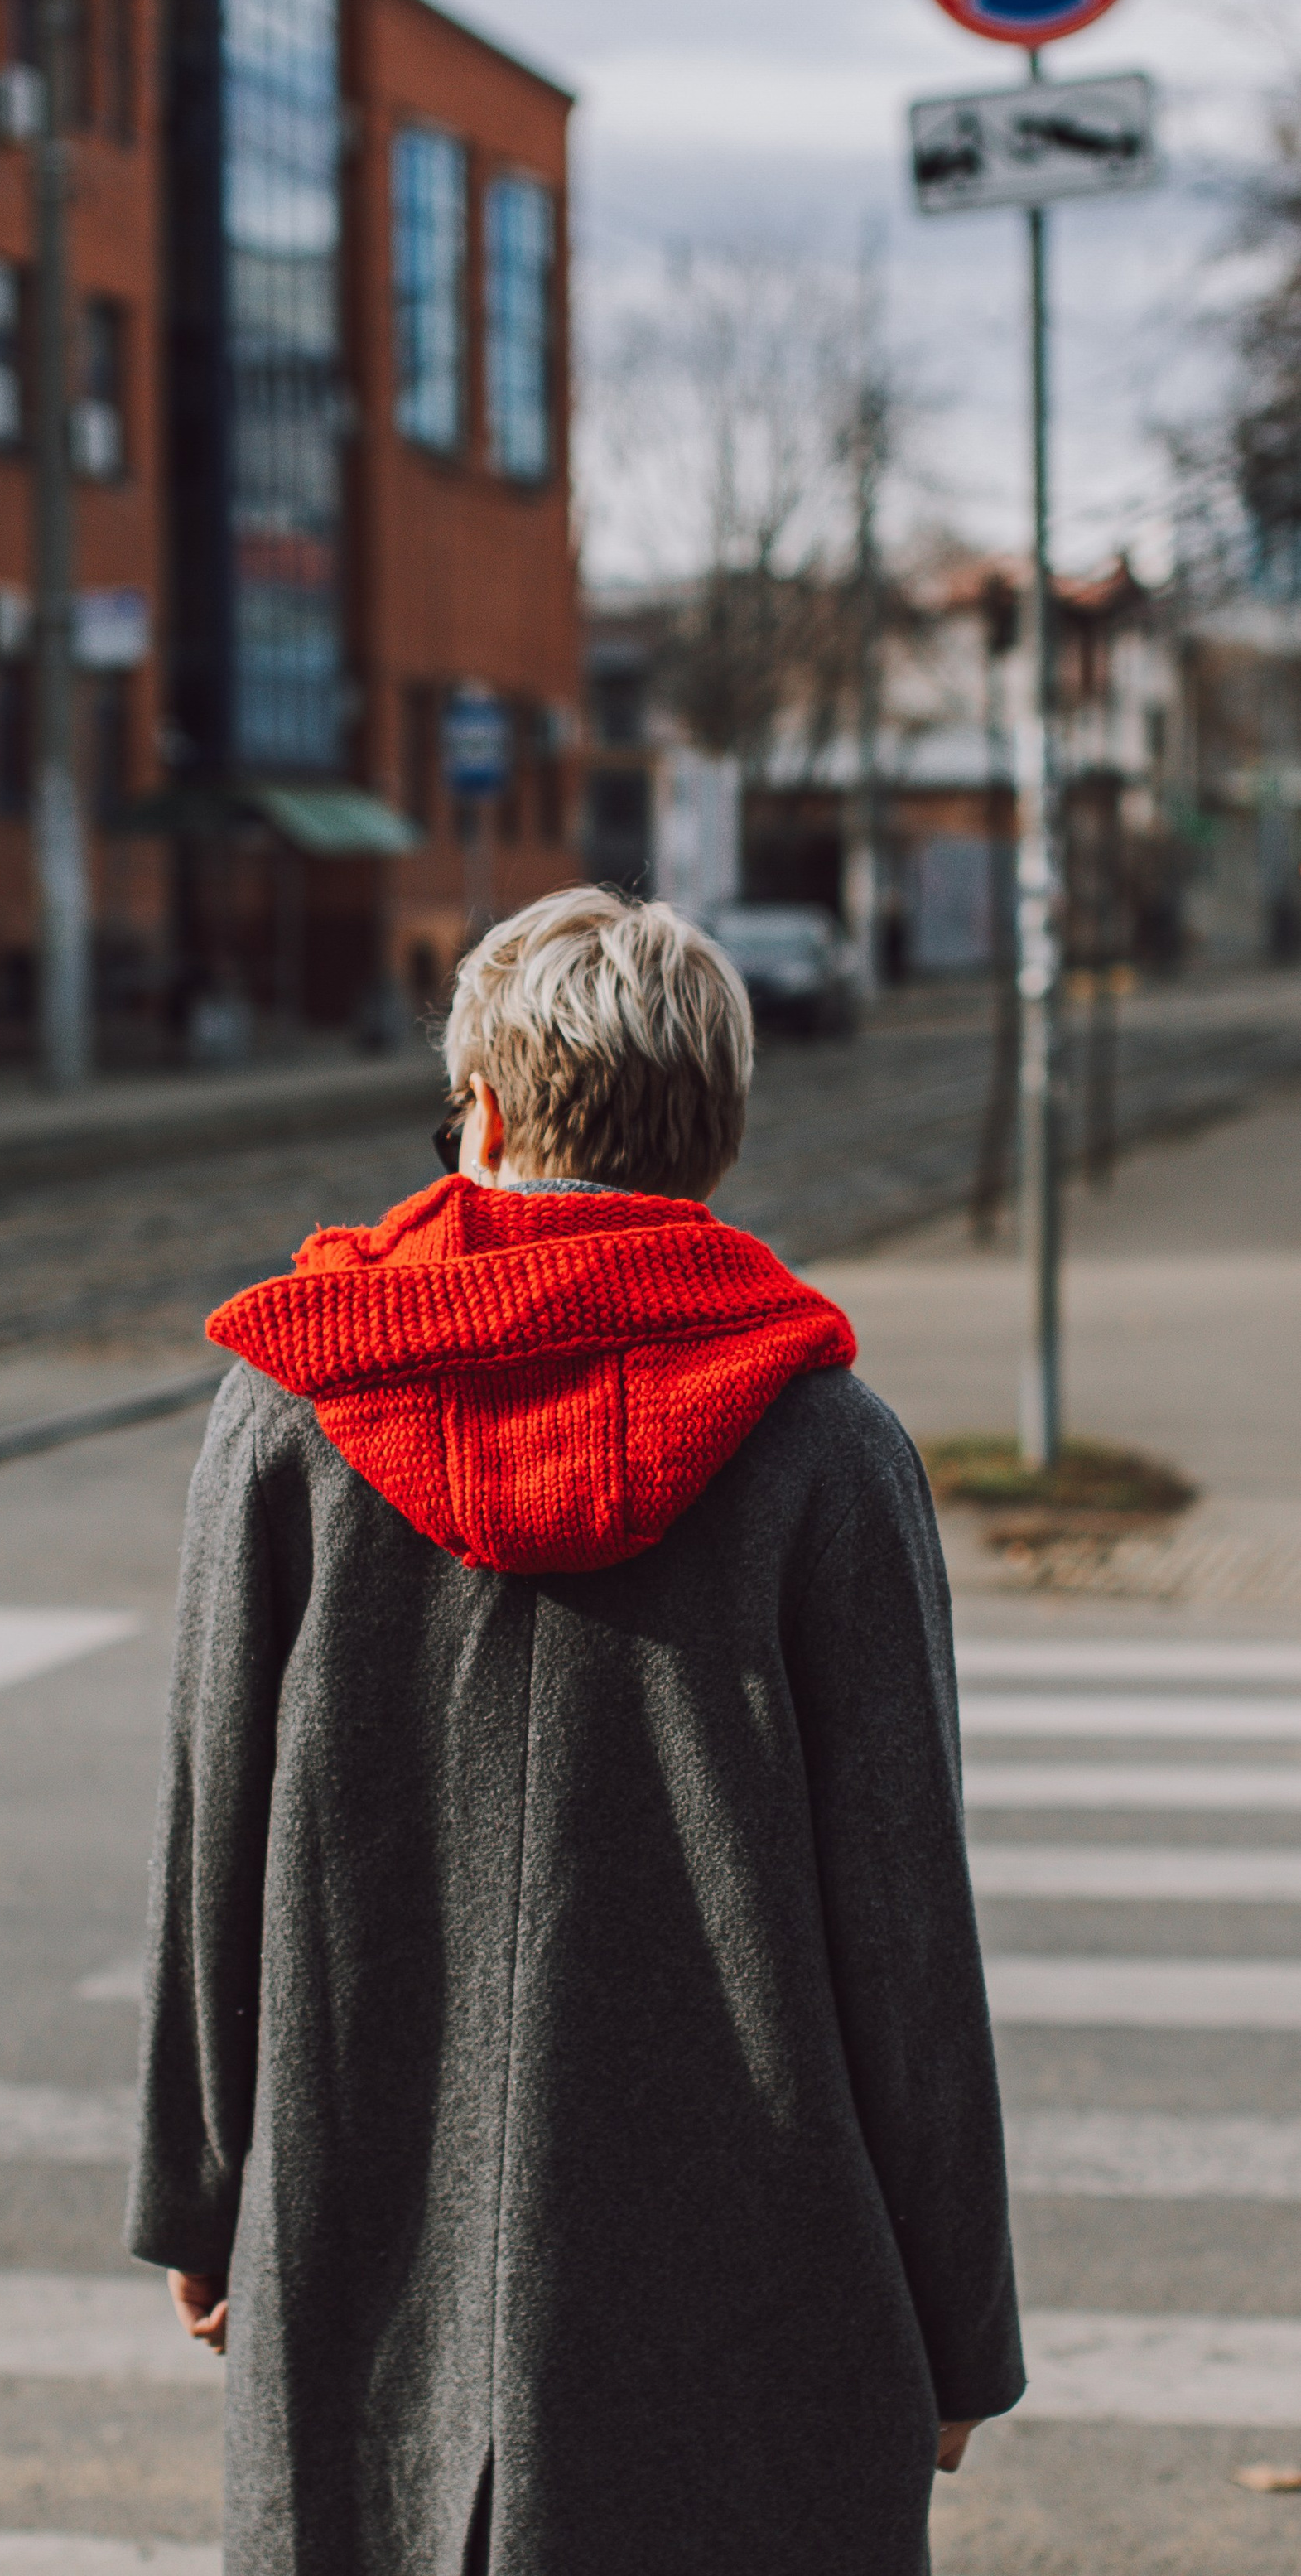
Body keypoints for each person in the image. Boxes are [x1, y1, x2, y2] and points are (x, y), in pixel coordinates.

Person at [127, 885, 1022, 2576]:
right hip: (753, 2256)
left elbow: (211, 1831)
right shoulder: (828, 1449)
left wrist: (200, 2186)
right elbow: (905, 1927)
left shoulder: (293, 1412)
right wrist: (957, 2321)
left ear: (476, 1106)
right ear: (719, 1136)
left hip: (364, 2208)